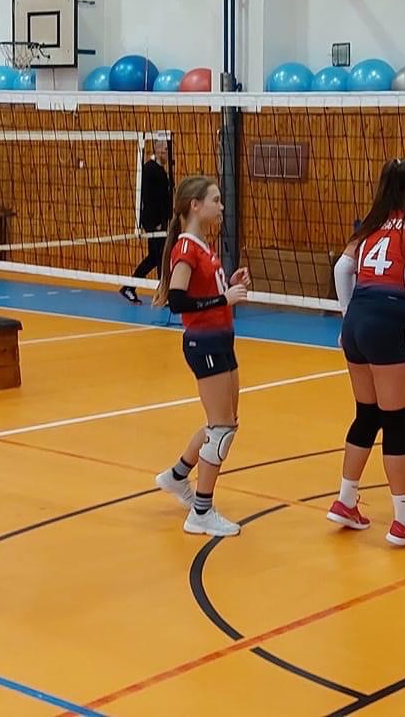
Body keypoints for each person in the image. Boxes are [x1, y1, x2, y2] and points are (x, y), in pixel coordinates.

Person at [328, 158, 405, 547]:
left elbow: (342, 270)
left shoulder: (371, 224)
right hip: (390, 322)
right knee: (397, 421)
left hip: (357, 318)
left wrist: (347, 317)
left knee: (367, 414)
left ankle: (346, 501)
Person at [149, 176, 251, 537]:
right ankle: (201, 513)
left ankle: (177, 476)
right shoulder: (186, 248)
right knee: (221, 429)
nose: (221, 206)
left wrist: (228, 284)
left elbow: (201, 291)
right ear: (195, 205)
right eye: (215, 200)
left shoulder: (202, 245)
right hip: (204, 343)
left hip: (221, 340)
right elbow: (178, 301)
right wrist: (223, 299)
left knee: (225, 423)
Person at [122, 141, 174, 304]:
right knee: (160, 257)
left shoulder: (161, 170)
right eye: (165, 149)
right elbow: (149, 198)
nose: (167, 153)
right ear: (157, 150)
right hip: (154, 222)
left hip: (161, 222)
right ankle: (161, 294)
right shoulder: (150, 169)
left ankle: (130, 287)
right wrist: (155, 222)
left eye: (168, 150)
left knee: (155, 257)